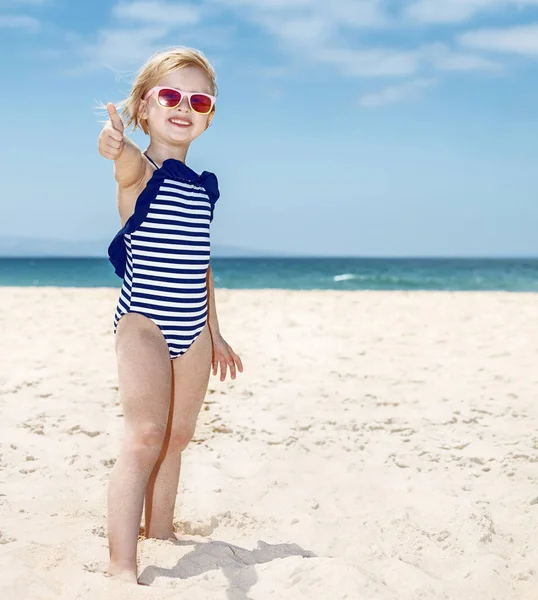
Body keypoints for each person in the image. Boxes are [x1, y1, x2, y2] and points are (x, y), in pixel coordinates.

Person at [97, 46, 243, 584]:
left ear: (208, 114)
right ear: (144, 107)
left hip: (193, 325)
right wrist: (115, 144)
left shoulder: (203, 188)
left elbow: (198, 263)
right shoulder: (140, 169)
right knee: (144, 435)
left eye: (198, 99)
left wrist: (215, 331)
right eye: (171, 96)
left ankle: (159, 530)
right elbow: (121, 160)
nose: (184, 106)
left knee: (177, 438)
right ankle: (119, 567)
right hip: (144, 322)